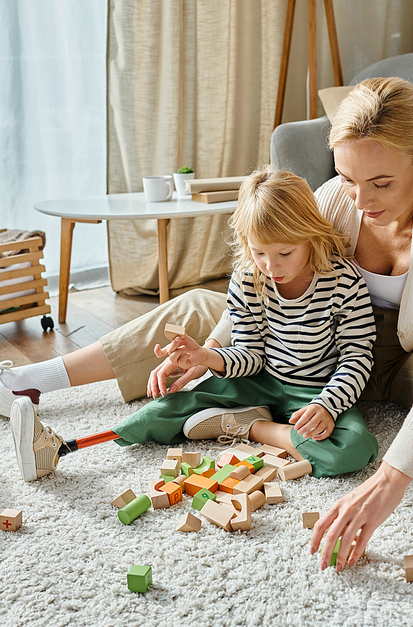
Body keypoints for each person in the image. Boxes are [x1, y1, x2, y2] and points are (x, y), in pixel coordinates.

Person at [3, 76, 413, 627]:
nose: (360, 199)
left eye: (381, 183)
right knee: (191, 308)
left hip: (406, 360)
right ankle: (28, 381)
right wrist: (207, 358)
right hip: (304, 348)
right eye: (349, 179)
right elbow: (255, 288)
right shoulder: (334, 202)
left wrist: (394, 476)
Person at [10, 167, 378, 482]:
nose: (271, 266)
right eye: (259, 252)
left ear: (310, 235)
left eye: (284, 253)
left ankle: (251, 426)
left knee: (355, 449)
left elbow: (357, 357)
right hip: (260, 381)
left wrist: (329, 406)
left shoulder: (343, 280)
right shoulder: (249, 278)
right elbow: (251, 355)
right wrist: (206, 357)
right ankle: (59, 449)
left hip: (316, 390)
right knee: (163, 411)